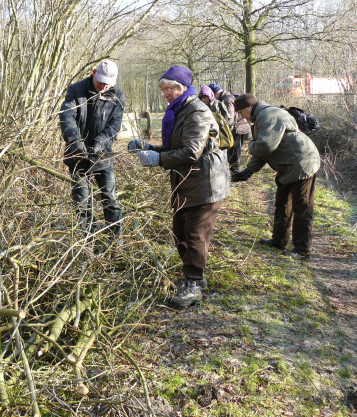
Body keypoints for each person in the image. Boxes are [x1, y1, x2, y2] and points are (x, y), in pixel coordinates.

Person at [128, 66, 230, 308]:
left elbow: (191, 152)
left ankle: (193, 285)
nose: (166, 94)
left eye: (170, 89)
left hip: (205, 181)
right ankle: (196, 276)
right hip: (188, 180)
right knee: (180, 232)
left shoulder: (197, 111)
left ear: (183, 87)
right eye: (163, 90)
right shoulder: (179, 110)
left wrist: (158, 159)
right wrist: (150, 148)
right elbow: (177, 146)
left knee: (194, 234)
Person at [231, 93, 320, 260]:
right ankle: (279, 241)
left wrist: (250, 145)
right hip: (289, 164)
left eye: (241, 112)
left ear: (248, 108)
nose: (241, 116)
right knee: (283, 204)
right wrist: (248, 171)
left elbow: (265, 146)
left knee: (302, 208)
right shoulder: (260, 118)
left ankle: (302, 250)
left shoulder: (268, 115)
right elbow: (262, 153)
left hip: (303, 162)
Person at [59, 60, 125, 248]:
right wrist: (75, 141)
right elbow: (67, 117)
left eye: (108, 84)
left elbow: (114, 126)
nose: (103, 87)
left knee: (110, 198)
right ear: (94, 72)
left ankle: (115, 242)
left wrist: (99, 143)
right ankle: (90, 241)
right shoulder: (76, 90)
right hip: (77, 155)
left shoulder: (117, 96)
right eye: (101, 82)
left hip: (102, 156)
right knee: (82, 200)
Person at [208, 83, 250, 174]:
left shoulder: (227, 99)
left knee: (235, 151)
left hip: (238, 128)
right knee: (233, 151)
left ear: (215, 93)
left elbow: (230, 117)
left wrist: (226, 131)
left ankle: (235, 173)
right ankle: (233, 171)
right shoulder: (226, 97)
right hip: (238, 127)